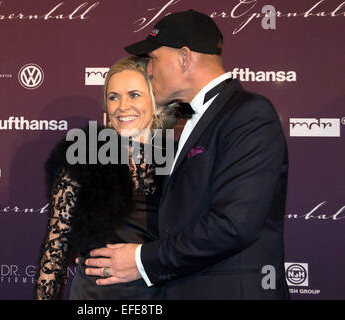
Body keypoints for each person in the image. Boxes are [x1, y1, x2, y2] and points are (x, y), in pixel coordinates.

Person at [84, 9, 290, 299]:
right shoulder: (186, 124)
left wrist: (142, 260)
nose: (149, 70)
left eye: (153, 59)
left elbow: (233, 224)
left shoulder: (249, 114)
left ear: (184, 57)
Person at [35, 56, 176, 300]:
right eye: (114, 97)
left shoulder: (181, 160)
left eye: (134, 95)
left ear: (156, 104)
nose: (122, 106)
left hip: (161, 295)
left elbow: (197, 244)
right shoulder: (81, 158)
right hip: (93, 297)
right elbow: (54, 252)